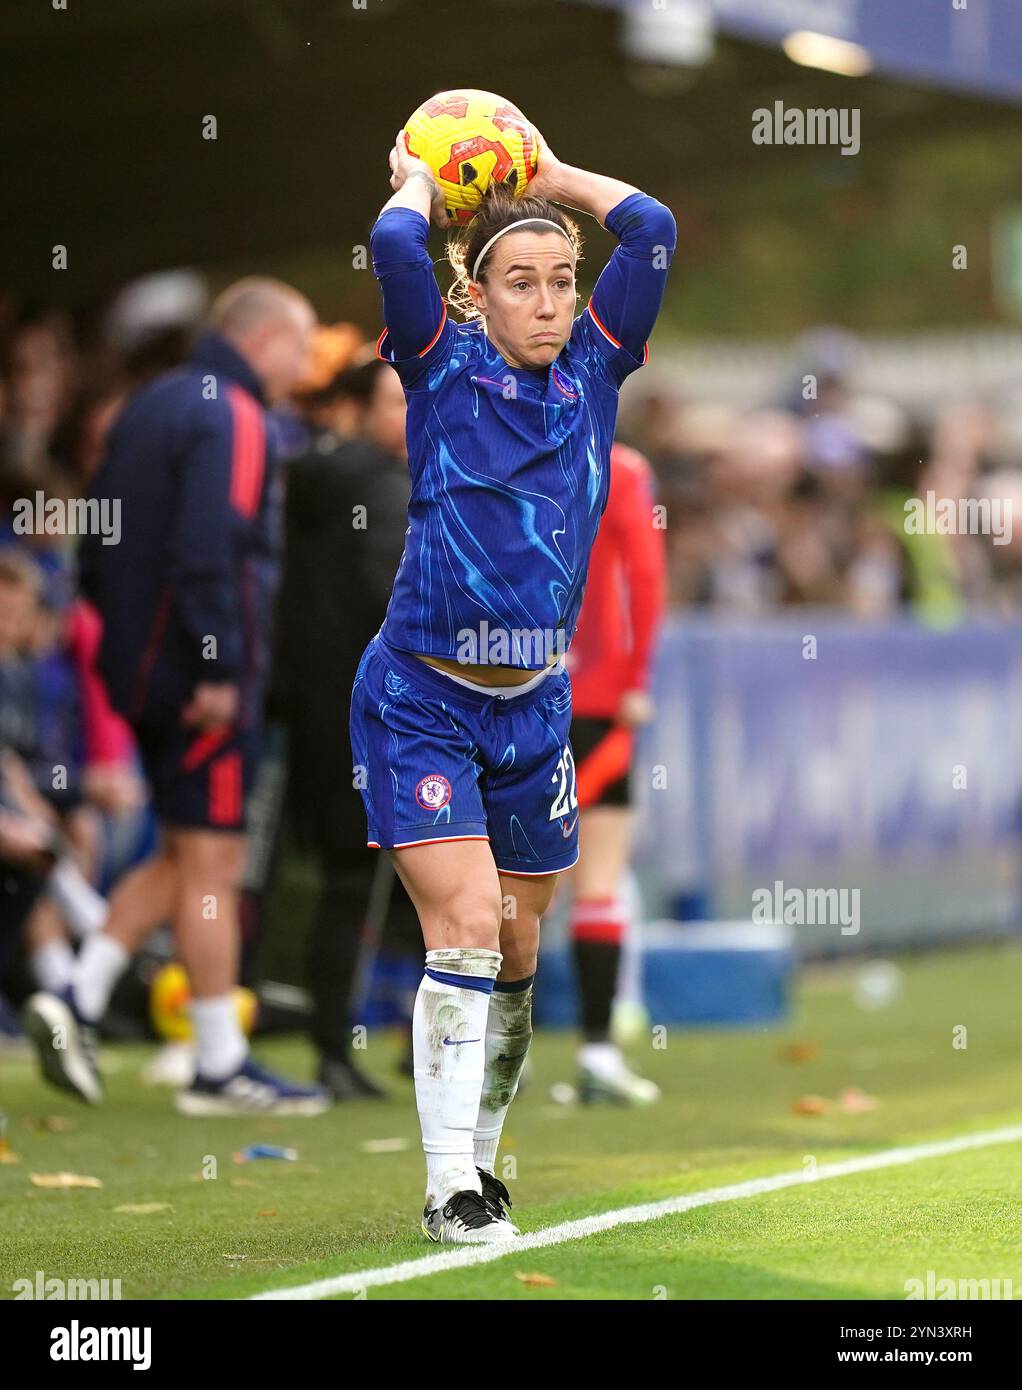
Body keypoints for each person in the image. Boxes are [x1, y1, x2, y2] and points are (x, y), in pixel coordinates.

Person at [350, 125, 675, 1241]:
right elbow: (397, 248)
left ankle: (482, 1155)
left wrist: (550, 180)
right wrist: (421, 181)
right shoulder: (437, 363)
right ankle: (446, 1184)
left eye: (560, 282)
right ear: (474, 293)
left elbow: (654, 228)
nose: (546, 302)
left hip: (533, 706)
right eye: (520, 283)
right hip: (419, 695)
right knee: (467, 928)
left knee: (522, 946)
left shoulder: (594, 370)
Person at [23, 277, 330, 1116]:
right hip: (200, 680)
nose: (302, 371)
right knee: (214, 861)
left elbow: (97, 543)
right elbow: (214, 545)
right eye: (300, 351)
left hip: (143, 672)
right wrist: (218, 666)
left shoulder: (147, 405)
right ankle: (217, 1064)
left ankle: (79, 998)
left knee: (185, 852)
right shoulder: (232, 413)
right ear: (263, 340)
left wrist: (136, 662)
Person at [278, 344, 423, 1099]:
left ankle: (343, 1046)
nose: (410, 412)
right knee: (412, 872)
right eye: (396, 401)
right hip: (382, 712)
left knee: (344, 878)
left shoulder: (305, 478)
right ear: (362, 412)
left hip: (312, 705)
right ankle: (405, 1042)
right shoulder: (389, 486)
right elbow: (393, 593)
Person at [560, 441, 666, 1103]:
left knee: (504, 883)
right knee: (598, 882)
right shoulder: (621, 468)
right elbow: (645, 578)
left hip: (504, 690)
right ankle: (597, 1052)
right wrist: (636, 680)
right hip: (595, 701)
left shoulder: (487, 443)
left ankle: (489, 1056)